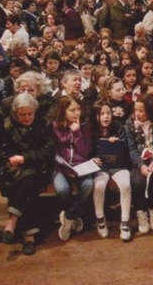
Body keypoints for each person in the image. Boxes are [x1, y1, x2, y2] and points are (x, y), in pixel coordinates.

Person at [0, 92, 55, 255]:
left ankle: (12, 221)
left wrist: (25, 158)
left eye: (30, 114)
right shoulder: (7, 126)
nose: (27, 118)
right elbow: (2, 153)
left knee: (28, 180)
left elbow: (48, 151)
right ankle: (29, 238)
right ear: (15, 112)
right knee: (27, 183)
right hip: (13, 170)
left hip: (39, 167)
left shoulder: (43, 124)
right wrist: (14, 161)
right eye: (22, 114)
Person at [51, 96, 94, 241]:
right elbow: (54, 151)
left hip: (80, 166)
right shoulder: (56, 126)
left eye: (78, 109)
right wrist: (64, 168)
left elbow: (85, 152)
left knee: (88, 185)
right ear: (63, 111)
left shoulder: (84, 125)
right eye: (72, 110)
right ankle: (74, 216)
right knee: (62, 189)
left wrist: (77, 133)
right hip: (60, 167)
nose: (77, 113)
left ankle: (69, 217)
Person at [90, 103, 133, 241]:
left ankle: (125, 222)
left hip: (118, 166)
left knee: (125, 185)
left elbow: (125, 149)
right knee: (99, 186)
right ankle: (100, 218)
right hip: (101, 167)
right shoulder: (91, 130)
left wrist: (116, 144)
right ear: (96, 116)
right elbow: (89, 150)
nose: (106, 116)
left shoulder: (119, 128)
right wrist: (94, 159)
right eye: (102, 114)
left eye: (108, 113)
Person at [125, 94, 153, 235]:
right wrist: (141, 165)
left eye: (141, 111)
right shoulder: (130, 124)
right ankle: (141, 211)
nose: (137, 113)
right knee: (138, 182)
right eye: (135, 110)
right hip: (138, 161)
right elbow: (131, 149)